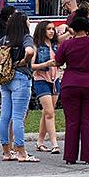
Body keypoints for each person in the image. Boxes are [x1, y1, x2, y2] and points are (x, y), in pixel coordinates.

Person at [52, 16, 89, 165]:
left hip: (70, 84)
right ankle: (88, 156)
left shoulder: (67, 44)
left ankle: (70, 156)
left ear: (73, 30)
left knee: (72, 121)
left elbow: (58, 61)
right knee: (88, 121)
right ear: (88, 29)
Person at [0, 11, 37, 162]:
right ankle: (21, 152)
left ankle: (6, 152)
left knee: (5, 116)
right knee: (18, 116)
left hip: (6, 78)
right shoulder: (25, 37)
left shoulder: (6, 39)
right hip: (21, 78)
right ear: (23, 23)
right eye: (28, 20)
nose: (29, 23)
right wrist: (24, 61)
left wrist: (3, 58)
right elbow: (29, 50)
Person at [31, 21, 60, 154]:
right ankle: (55, 144)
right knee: (49, 113)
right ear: (42, 30)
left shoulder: (55, 45)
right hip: (41, 80)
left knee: (47, 112)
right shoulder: (36, 45)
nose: (51, 31)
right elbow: (31, 66)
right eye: (48, 29)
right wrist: (46, 64)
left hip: (55, 80)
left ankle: (40, 142)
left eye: (53, 29)